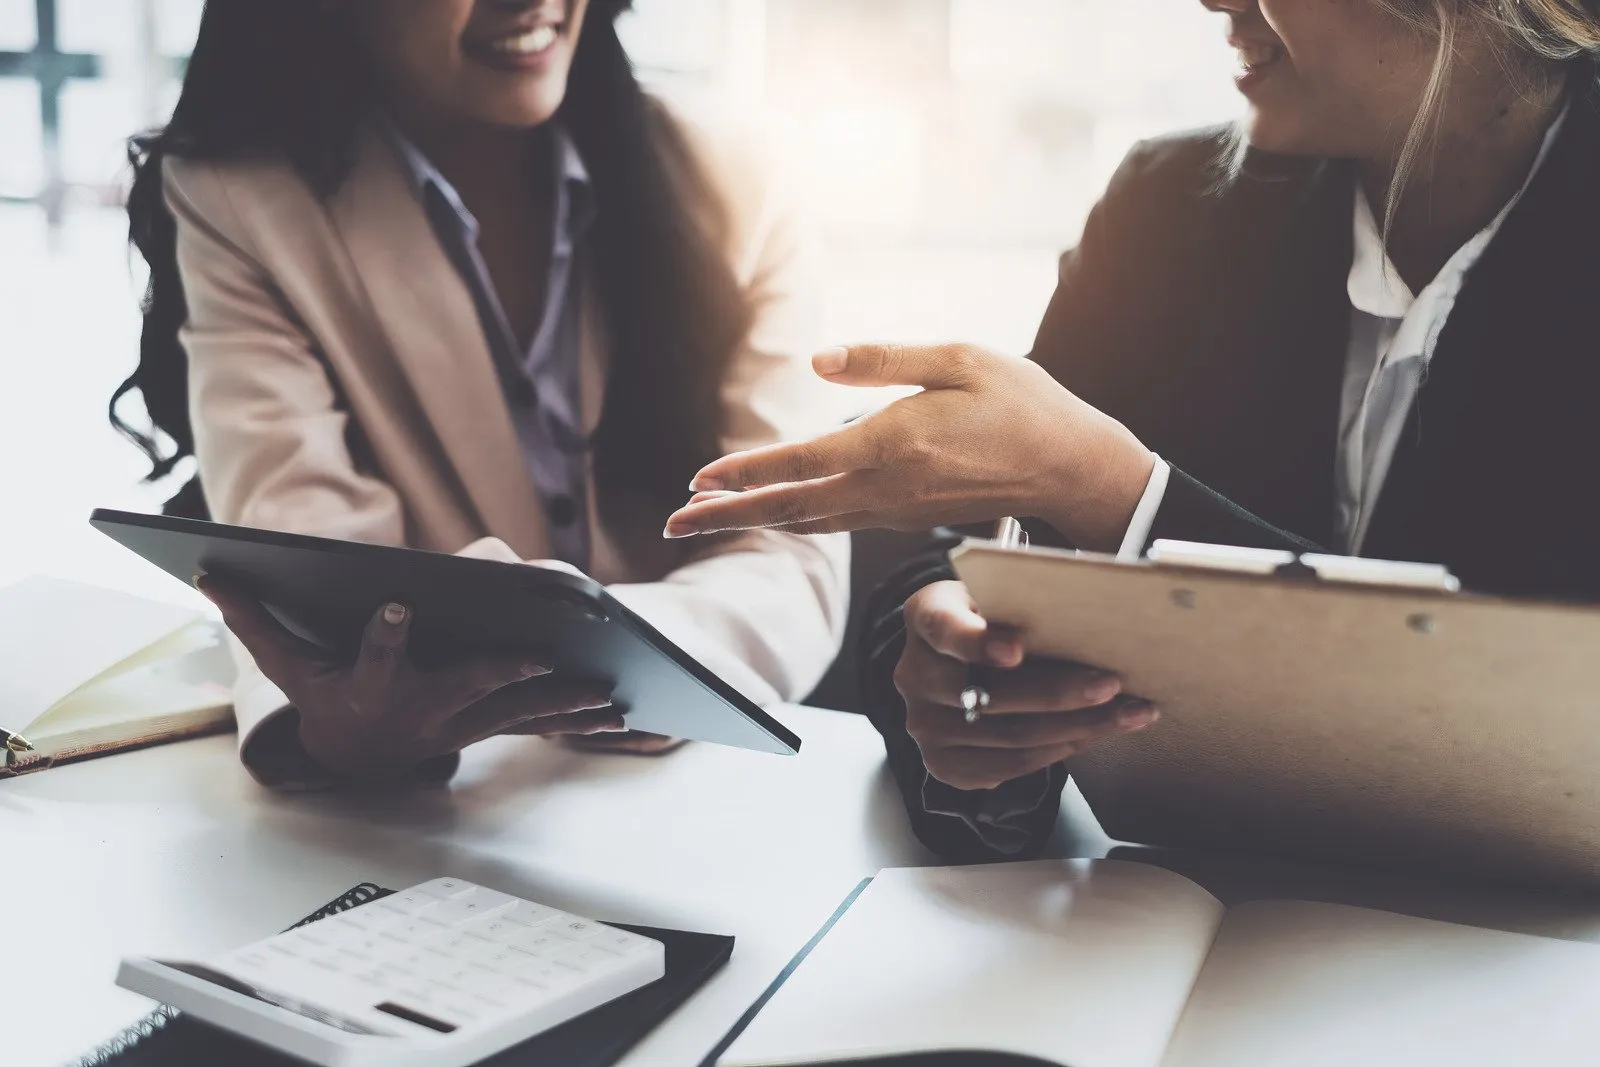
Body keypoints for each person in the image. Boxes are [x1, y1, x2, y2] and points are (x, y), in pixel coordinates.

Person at [662, 0, 1600, 860]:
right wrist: (961, 701)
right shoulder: (1172, 207)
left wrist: (1108, 490)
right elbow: (969, 571)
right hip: (1155, 930)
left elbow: (1541, 739)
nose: (1212, 1)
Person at [110, 0, 848, 787]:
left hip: (702, 787)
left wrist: (593, 667)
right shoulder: (243, 200)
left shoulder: (739, 172)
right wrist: (343, 712)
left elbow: (789, 551)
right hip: (454, 810)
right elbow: (313, 572)